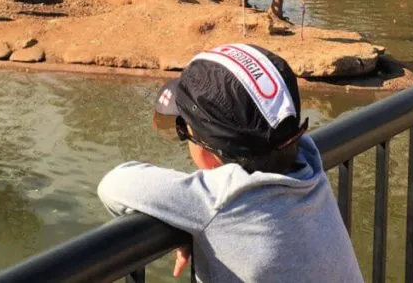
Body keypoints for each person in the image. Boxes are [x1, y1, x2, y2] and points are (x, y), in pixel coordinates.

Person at [98, 43, 363, 282]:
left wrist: (185, 220)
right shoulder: (309, 161)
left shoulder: (219, 200)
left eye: (184, 129)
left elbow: (112, 184)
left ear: (208, 149)